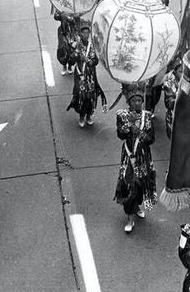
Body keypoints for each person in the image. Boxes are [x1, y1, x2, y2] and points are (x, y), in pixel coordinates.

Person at [115, 86, 157, 233]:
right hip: (128, 156)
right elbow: (120, 135)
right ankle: (130, 218)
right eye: (135, 101)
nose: (138, 103)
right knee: (129, 184)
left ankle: (137, 206)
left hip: (143, 156)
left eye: (140, 100)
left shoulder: (148, 116)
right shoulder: (121, 115)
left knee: (141, 184)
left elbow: (151, 139)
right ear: (129, 102)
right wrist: (128, 124)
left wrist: (138, 130)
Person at [65, 25, 106, 127]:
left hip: (91, 76)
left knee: (91, 96)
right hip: (80, 75)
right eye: (84, 33)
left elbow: (96, 61)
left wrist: (89, 60)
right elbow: (71, 61)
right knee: (82, 95)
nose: (86, 35)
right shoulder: (76, 46)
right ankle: (81, 116)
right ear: (80, 34)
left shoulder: (92, 46)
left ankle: (89, 115)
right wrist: (76, 54)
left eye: (88, 33)